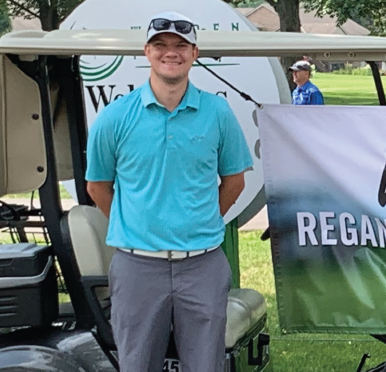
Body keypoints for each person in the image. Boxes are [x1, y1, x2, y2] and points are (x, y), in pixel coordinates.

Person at [85, 11, 253, 372]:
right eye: (161, 45)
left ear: (195, 54)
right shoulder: (115, 118)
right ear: (147, 52)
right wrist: (135, 226)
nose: (170, 53)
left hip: (203, 266)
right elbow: (97, 187)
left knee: (205, 365)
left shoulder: (218, 112)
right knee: (137, 365)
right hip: (137, 267)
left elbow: (234, 182)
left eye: (181, 46)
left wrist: (200, 221)